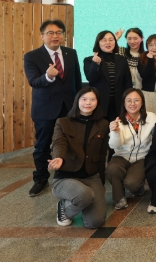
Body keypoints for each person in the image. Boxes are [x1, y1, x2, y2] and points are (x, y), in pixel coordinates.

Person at [23, 19, 83, 197]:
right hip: (45, 110)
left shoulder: (71, 53)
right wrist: (48, 76)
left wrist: (79, 105)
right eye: (50, 33)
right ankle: (41, 178)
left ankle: (69, 174)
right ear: (42, 36)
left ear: (63, 35)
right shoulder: (32, 56)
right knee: (42, 146)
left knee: (71, 143)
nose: (55, 36)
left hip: (69, 108)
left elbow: (77, 81)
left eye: (58, 32)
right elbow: (34, 82)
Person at [48, 87, 108, 228]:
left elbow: (102, 155)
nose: (88, 103)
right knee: (84, 195)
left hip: (91, 176)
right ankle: (64, 208)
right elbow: (59, 143)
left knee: (95, 222)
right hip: (66, 177)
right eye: (84, 99)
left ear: (97, 102)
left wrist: (102, 183)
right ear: (77, 101)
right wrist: (59, 157)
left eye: (92, 99)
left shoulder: (103, 124)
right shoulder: (63, 122)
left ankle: (81, 201)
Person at [106, 88, 156, 210]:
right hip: (121, 156)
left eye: (136, 100)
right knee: (112, 169)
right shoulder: (118, 121)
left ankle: (138, 188)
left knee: (132, 183)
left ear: (142, 102)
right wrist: (116, 132)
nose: (132, 104)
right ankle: (119, 198)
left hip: (142, 157)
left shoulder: (151, 117)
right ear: (124, 103)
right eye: (129, 101)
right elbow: (114, 145)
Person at [83, 30, 133, 122]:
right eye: (104, 40)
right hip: (99, 104)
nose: (108, 43)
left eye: (111, 40)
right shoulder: (89, 60)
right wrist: (95, 64)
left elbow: (127, 83)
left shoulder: (122, 60)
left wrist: (129, 101)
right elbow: (91, 79)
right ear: (98, 43)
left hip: (118, 105)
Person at [138, 34, 156, 115]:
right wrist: (150, 60)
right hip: (148, 93)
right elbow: (144, 75)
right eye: (151, 45)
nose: (154, 48)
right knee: (148, 116)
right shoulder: (143, 58)